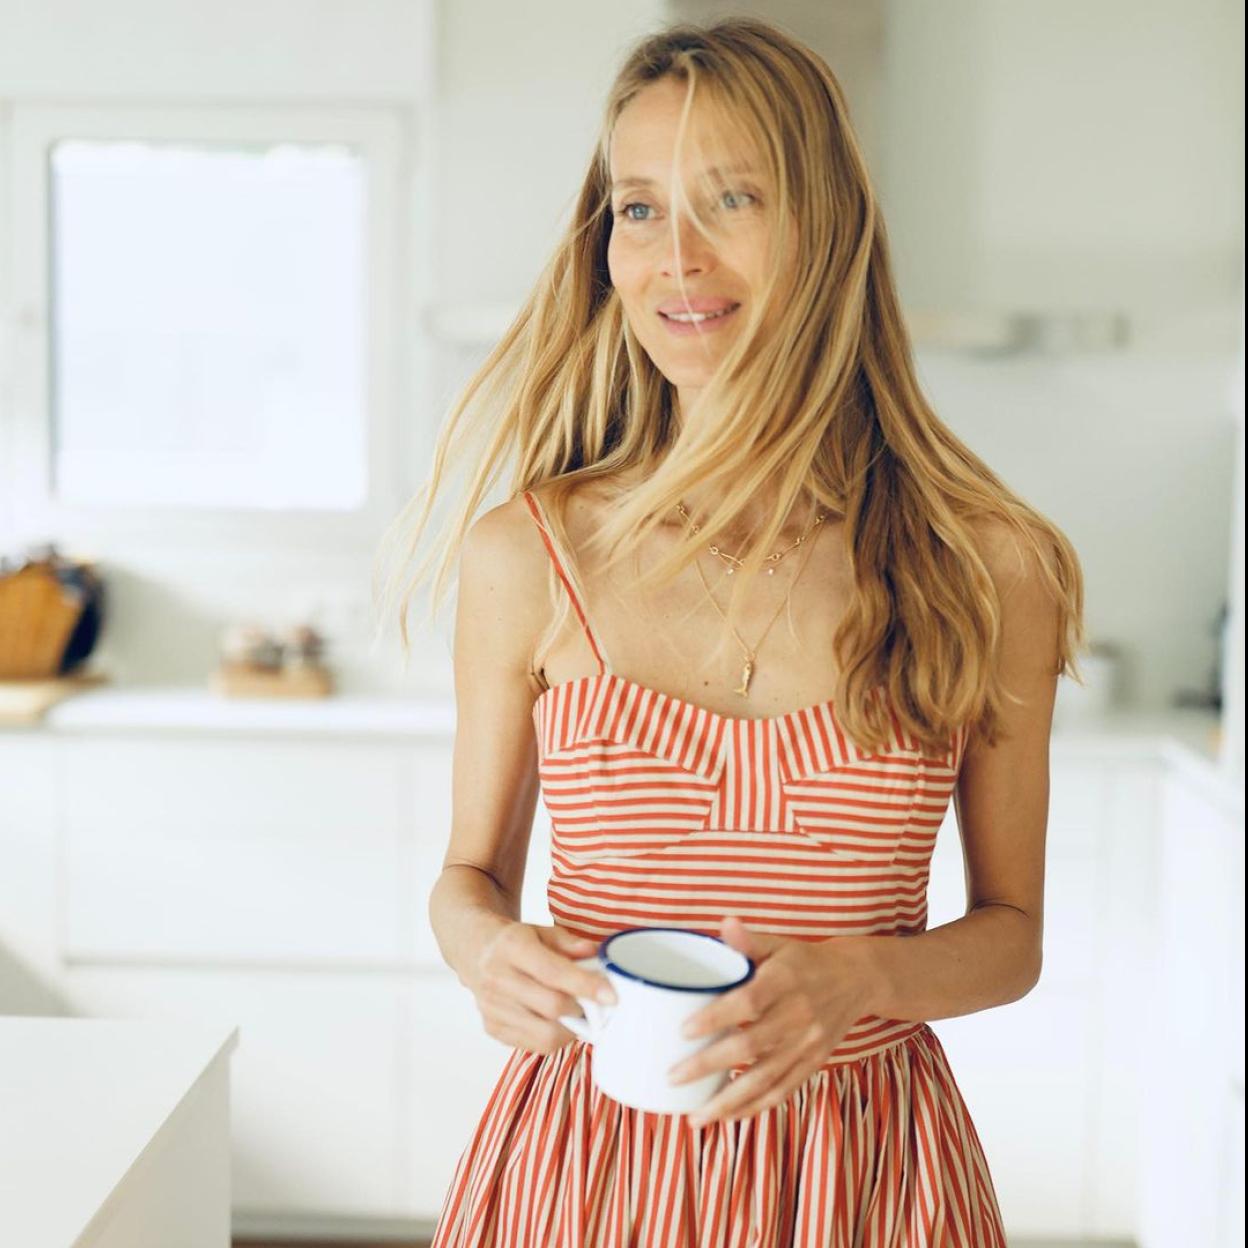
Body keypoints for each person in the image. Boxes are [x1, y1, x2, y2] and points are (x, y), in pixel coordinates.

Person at [378, 15, 1085, 1246]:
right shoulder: (528, 557)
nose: (674, 257)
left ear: (824, 230)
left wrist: (867, 977)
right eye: (638, 208)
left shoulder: (987, 567)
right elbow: (467, 880)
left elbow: (1010, 936)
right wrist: (486, 951)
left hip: (866, 1174)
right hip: (584, 1168)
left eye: (731, 199)